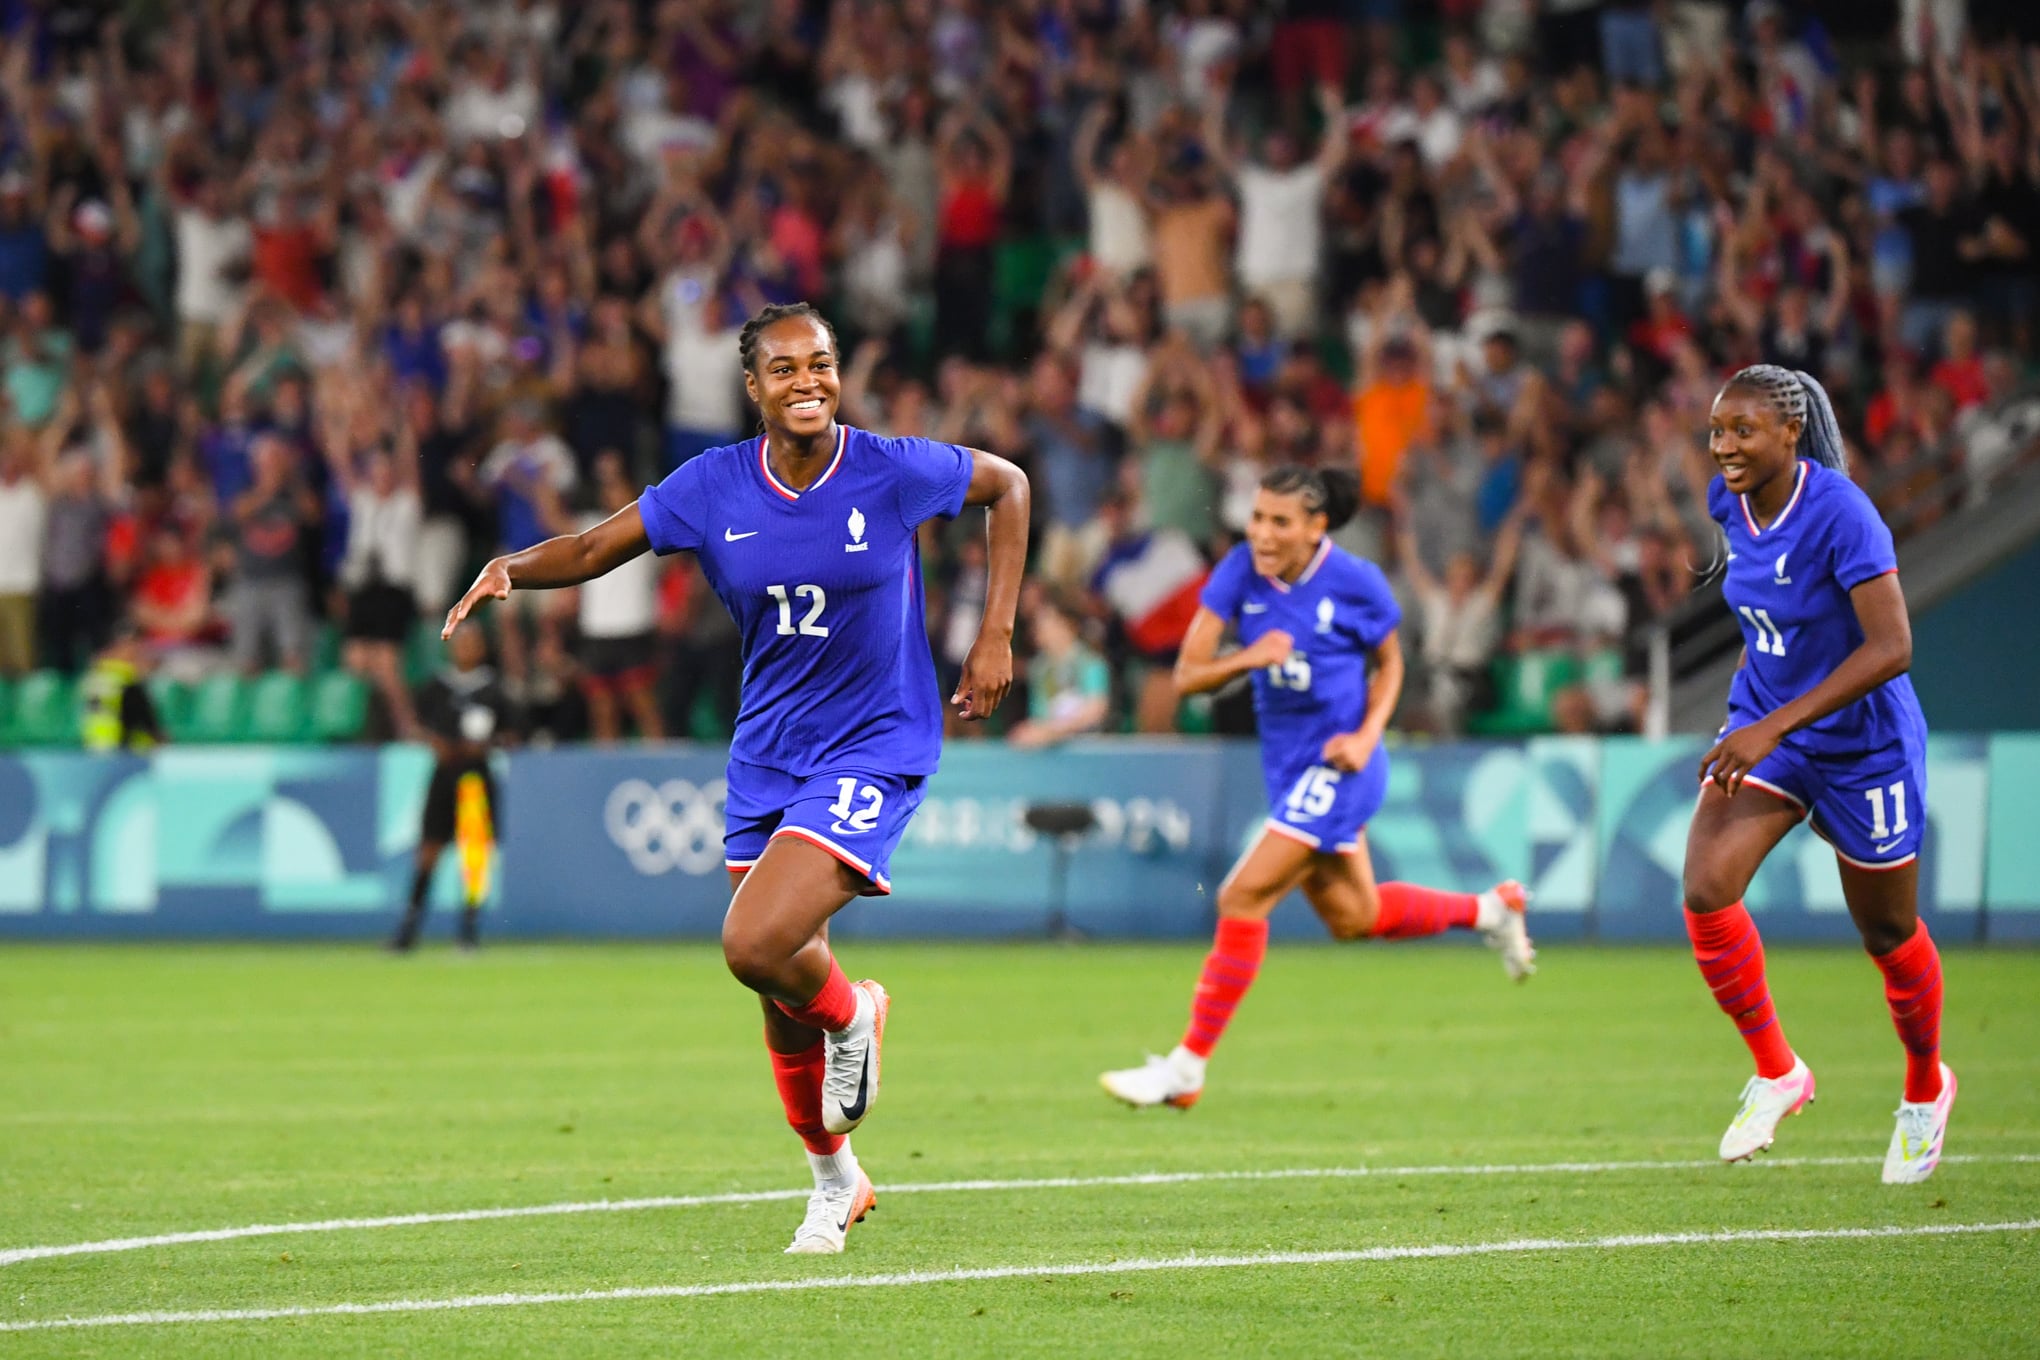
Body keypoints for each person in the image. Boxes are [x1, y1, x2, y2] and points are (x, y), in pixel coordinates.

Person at [441, 302, 1029, 1254]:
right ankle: (833, 1181)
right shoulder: (713, 485)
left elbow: (1011, 487)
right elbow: (596, 548)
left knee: (755, 942)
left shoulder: (891, 467)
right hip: (766, 753)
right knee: (775, 990)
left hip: (872, 742)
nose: (809, 382)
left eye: (823, 365)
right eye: (787, 369)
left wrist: (996, 632)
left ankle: (858, 1012)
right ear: (752, 388)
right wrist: (513, 566)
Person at [1099, 467, 1534, 1111]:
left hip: (1343, 766)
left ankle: (1186, 1068)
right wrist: (1249, 657)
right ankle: (1490, 910)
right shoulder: (1239, 571)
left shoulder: (1356, 582)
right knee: (1355, 918)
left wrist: (1366, 736)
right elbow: (1188, 675)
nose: (1263, 534)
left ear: (1316, 526)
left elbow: (1390, 663)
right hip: (1289, 770)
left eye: (1280, 522)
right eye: (1256, 518)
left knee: (1241, 897)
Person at [1684, 365, 1953, 1184]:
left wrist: (1769, 726)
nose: (1726, 446)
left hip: (1862, 746)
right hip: (1774, 731)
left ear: (1791, 432)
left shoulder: (1842, 513)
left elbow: (1892, 647)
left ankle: (1924, 1086)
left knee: (1887, 934)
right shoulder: (1725, 501)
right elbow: (1773, 616)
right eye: (1718, 431)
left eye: (1744, 431)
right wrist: (1754, 713)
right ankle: (1778, 1072)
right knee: (1705, 887)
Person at [389, 626, 516, 954]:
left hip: (475, 776)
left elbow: (512, 732)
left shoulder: (494, 688)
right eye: (463, 643)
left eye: (474, 642)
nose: (467, 649)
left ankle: (469, 928)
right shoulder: (436, 687)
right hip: (444, 775)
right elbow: (415, 725)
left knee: (473, 854)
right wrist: (436, 743)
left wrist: (486, 745)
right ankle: (409, 926)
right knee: (429, 850)